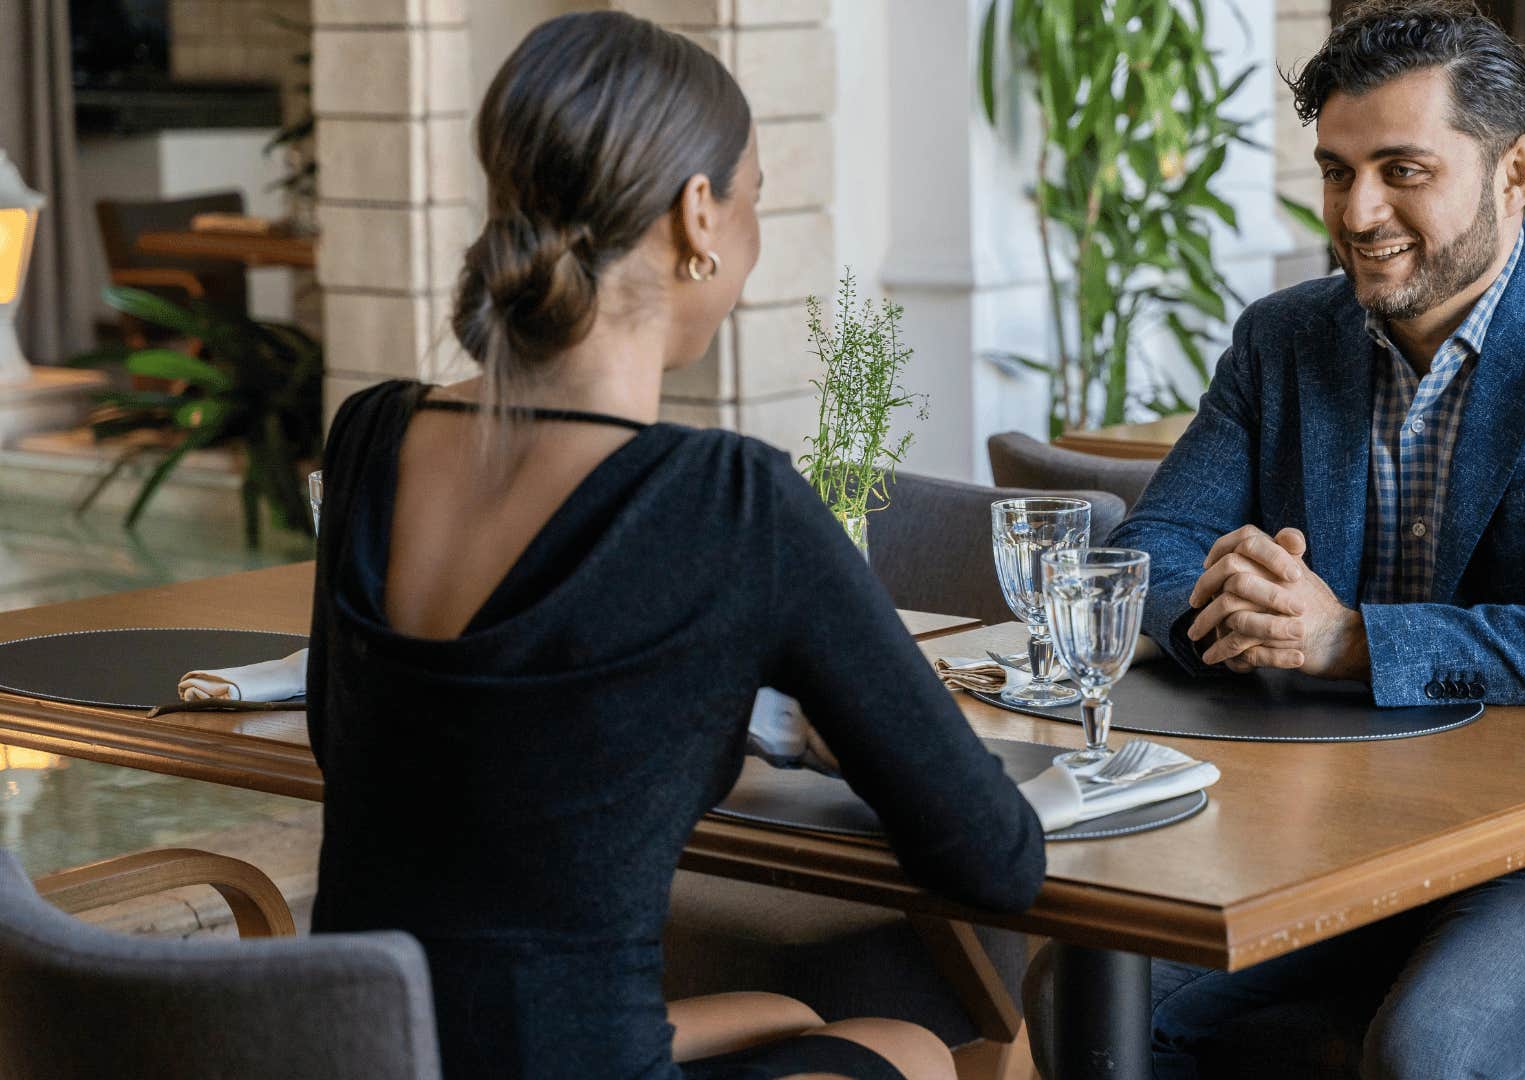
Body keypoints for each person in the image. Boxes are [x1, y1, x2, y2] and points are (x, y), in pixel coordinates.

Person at [304, 13, 1045, 1080]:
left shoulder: (370, 436)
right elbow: (996, 862)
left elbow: (355, 739)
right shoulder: (731, 502)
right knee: (925, 1050)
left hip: (369, 1052)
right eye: (754, 198)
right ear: (699, 214)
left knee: (785, 1008)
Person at [1109, 2, 1525, 1076]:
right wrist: (1238, 605)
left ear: (1516, 173)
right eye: (1336, 170)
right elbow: (1154, 555)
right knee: (1092, 994)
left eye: (1403, 170)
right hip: (1331, 824)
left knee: (1427, 1050)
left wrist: (1353, 640)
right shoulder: (1283, 341)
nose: (1358, 210)